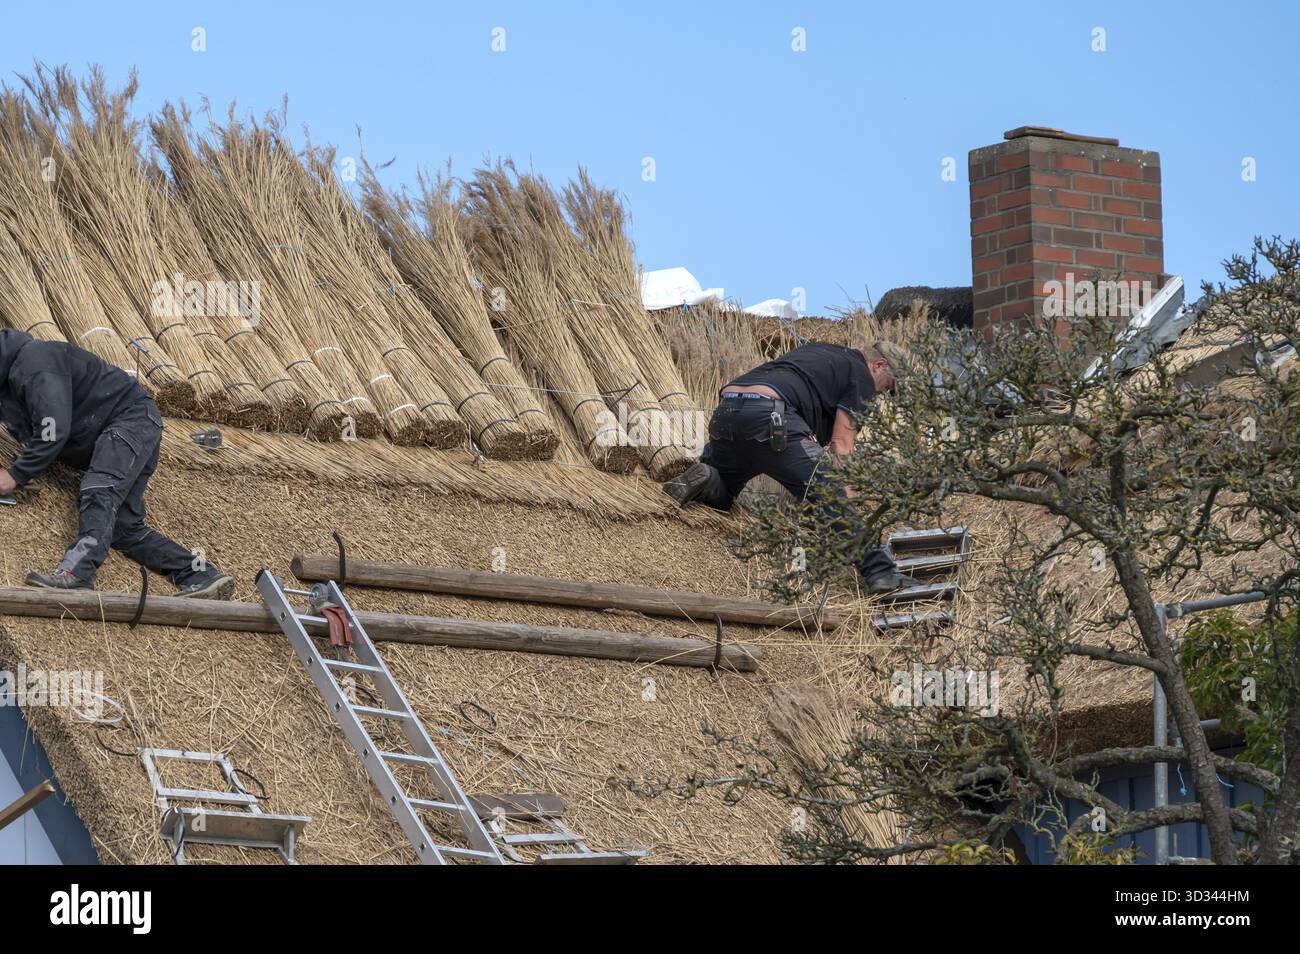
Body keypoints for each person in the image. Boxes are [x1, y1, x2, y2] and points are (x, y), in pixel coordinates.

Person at [664, 339, 918, 595]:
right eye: (889, 387)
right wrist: (843, 499)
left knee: (722, 495)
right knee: (830, 494)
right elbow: (841, 446)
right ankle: (881, 572)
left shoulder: (820, 351)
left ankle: (708, 478)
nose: (883, 395)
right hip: (772, 419)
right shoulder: (861, 374)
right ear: (879, 365)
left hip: (727, 412)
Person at [0, 328, 235, 597]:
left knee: (99, 490)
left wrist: (16, 475)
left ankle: (75, 573)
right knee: (123, 530)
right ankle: (200, 572)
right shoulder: (7, 389)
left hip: (130, 420)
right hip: (123, 431)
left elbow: (53, 430)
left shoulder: (34, 361)